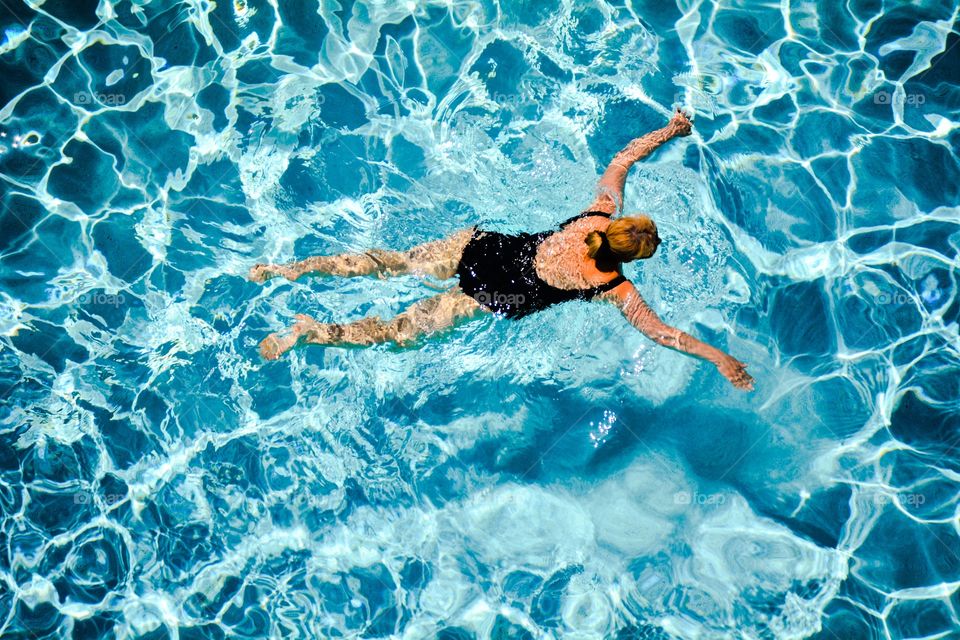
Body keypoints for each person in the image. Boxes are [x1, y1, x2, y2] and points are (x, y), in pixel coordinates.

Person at [250, 109, 754, 390]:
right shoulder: (615, 289)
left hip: (483, 249)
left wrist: (670, 130)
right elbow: (663, 335)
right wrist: (718, 358)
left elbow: (622, 160)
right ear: (627, 258)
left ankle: (288, 269)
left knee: (393, 262)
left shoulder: (599, 213)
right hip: (496, 295)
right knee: (399, 333)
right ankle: (312, 334)